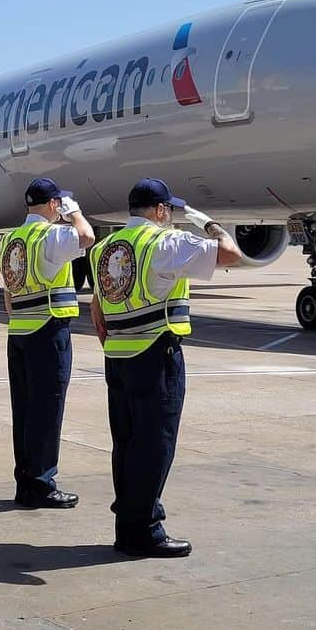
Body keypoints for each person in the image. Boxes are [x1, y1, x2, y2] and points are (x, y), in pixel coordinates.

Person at [89, 178, 241, 557]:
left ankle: (128, 523)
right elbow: (229, 254)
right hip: (157, 355)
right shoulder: (164, 242)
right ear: (160, 211)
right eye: (169, 212)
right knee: (154, 445)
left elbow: (96, 308)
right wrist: (210, 225)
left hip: (118, 356)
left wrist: (115, 343)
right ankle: (144, 530)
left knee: (125, 443)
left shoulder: (105, 249)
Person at [0, 178, 95, 508]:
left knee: (24, 411)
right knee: (47, 410)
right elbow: (86, 237)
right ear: (55, 204)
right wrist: (77, 213)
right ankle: (41, 482)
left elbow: (9, 294)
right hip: (48, 331)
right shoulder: (50, 234)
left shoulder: (12, 239)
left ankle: (26, 480)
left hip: (20, 332)